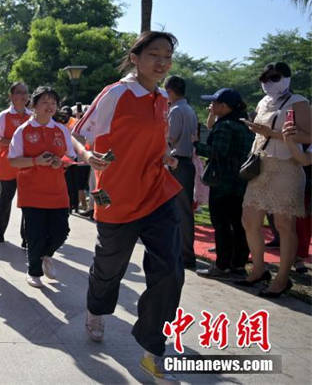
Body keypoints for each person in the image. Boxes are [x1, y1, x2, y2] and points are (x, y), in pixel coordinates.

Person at [73, 31, 183, 379]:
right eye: (154, 54)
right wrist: (87, 156)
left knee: (170, 269)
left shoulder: (162, 97)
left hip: (157, 191)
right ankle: (96, 309)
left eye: (167, 55)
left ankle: (153, 345)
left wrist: (164, 155)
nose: (162, 62)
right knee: (110, 265)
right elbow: (77, 135)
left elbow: (154, 138)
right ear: (135, 58)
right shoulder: (117, 93)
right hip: (114, 195)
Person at [8, 86, 105, 287]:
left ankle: (46, 254)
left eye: (53, 102)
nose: (49, 106)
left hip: (57, 190)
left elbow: (70, 156)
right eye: (44, 102)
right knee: (35, 233)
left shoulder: (61, 130)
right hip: (32, 191)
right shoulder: (23, 131)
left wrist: (60, 162)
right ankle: (34, 272)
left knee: (61, 230)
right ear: (34, 105)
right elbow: (13, 161)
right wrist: (36, 161)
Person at [239, 62, 310, 297]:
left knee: (284, 224)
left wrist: (273, 134)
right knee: (249, 219)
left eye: (274, 78)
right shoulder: (263, 102)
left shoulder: (298, 101)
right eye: (265, 79)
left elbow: (309, 135)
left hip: (287, 167)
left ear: (287, 78)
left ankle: (282, 279)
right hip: (260, 165)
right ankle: (259, 269)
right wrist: (256, 129)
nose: (268, 83)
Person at [193, 88, 253, 278]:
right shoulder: (243, 124)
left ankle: (221, 265)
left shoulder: (225, 126)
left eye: (214, 102)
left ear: (224, 106)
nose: (211, 105)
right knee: (238, 224)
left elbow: (217, 153)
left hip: (223, 183)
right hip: (240, 182)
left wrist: (195, 144)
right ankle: (238, 264)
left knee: (221, 225)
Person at [164, 75, 199, 270]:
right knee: (182, 209)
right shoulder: (189, 109)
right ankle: (183, 251)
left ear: (170, 91)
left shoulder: (176, 110)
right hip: (185, 161)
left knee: (181, 210)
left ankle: (185, 254)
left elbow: (171, 137)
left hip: (178, 162)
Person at [0, 82, 31, 244]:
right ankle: (0, 231)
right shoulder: (4, 116)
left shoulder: (32, 116)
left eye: (25, 93)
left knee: (28, 201)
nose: (23, 96)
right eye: (19, 92)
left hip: (27, 165)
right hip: (7, 164)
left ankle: (26, 237)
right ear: (11, 96)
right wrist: (17, 142)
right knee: (6, 197)